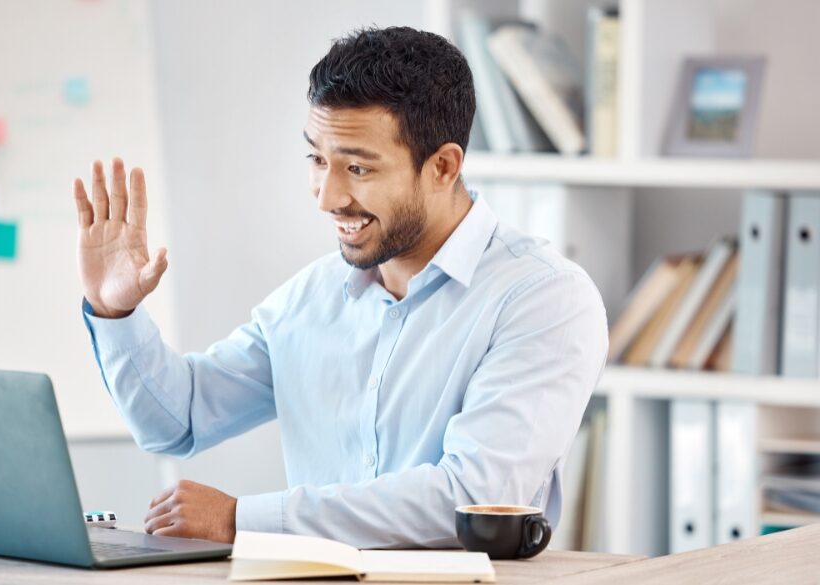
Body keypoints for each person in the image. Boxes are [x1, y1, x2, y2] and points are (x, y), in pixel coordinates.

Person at [73, 26, 607, 548]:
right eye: (317, 159)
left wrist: (244, 520)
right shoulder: (311, 298)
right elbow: (179, 420)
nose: (327, 196)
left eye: (357, 167)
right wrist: (114, 312)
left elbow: (474, 498)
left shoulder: (543, 298)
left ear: (443, 166)